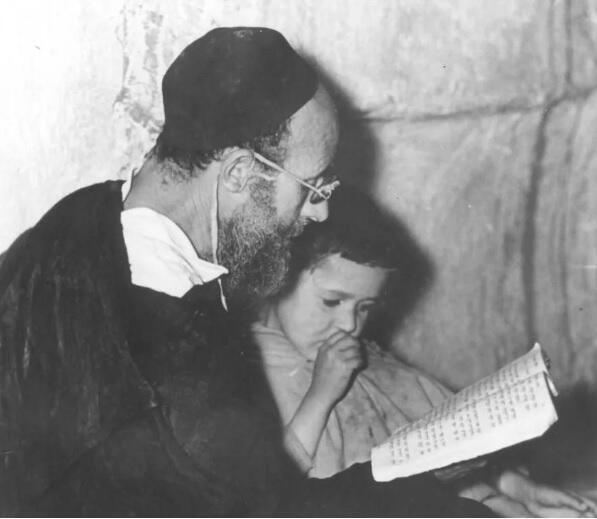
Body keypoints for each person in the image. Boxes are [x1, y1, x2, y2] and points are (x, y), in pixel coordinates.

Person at [0, 27, 492, 516]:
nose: (319, 213)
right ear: (239, 173)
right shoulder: (174, 348)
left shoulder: (72, 224)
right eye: (312, 187)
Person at [253, 187, 597, 517]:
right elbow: (267, 495)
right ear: (277, 281)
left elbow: (439, 450)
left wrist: (518, 490)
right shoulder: (245, 370)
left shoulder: (366, 361)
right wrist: (320, 395)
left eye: (364, 308)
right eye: (332, 301)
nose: (349, 325)